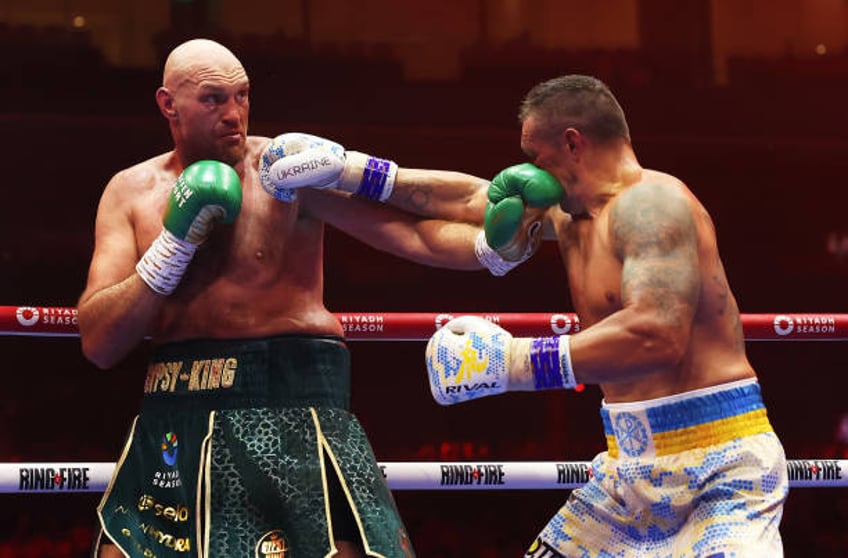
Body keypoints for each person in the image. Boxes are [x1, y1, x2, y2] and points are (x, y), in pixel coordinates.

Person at [76, 38, 558, 558]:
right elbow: (99, 342)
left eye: (242, 96)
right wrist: (173, 246)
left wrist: (491, 249)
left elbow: (410, 231)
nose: (233, 114)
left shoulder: (284, 172)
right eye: (213, 99)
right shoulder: (129, 192)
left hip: (292, 402)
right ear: (168, 104)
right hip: (175, 411)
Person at [425, 74, 789, 557]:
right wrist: (351, 174)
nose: (533, 174)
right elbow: (466, 199)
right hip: (627, 473)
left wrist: (511, 361)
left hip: (720, 467)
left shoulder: (652, 204)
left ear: (572, 142)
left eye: (538, 157)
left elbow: (656, 334)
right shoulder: (570, 218)